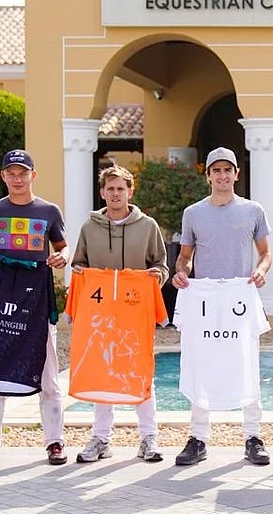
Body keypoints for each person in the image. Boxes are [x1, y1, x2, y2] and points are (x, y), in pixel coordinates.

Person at [170, 147, 273, 467]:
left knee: (247, 363)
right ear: (208, 176)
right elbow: (185, 257)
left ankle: (253, 437)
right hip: (205, 301)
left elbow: (266, 253)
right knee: (201, 364)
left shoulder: (253, 210)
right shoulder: (193, 213)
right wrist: (181, 273)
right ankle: (198, 438)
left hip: (240, 299)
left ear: (236, 174)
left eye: (228, 170)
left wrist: (261, 270)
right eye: (216, 170)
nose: (222, 175)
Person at [0, 149, 70, 466]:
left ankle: (55, 441)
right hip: (0, 304)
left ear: (32, 175)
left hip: (36, 303)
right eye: (11, 173)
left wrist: (61, 258)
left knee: (48, 375)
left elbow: (63, 247)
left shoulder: (49, 211)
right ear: (3, 176)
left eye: (22, 173)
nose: (17, 179)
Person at [70, 165, 170, 464]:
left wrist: (157, 276)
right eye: (110, 189)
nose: (115, 194)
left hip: (134, 312)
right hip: (100, 314)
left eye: (120, 189)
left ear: (130, 191)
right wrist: (80, 273)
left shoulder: (148, 226)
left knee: (141, 371)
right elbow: (79, 263)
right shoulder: (89, 228)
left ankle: (149, 437)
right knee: (102, 371)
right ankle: (101, 438)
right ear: (102, 192)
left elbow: (161, 265)